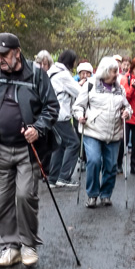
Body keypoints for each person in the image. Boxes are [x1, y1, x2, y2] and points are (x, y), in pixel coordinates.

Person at [0, 33, 60, 269]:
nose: (0, 59)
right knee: (4, 199)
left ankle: (28, 245)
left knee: (25, 195)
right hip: (0, 148)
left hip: (28, 150)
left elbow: (51, 107)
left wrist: (38, 128)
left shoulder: (37, 75)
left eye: (4, 54)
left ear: (17, 52)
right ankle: (11, 246)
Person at [72, 57, 131, 208]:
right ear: (105, 71)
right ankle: (92, 194)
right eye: (113, 71)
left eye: (116, 71)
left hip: (113, 132)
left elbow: (127, 107)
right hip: (92, 130)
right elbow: (78, 106)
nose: (116, 74)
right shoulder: (90, 85)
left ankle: (106, 194)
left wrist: (127, 113)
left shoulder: (120, 89)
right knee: (93, 161)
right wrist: (80, 115)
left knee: (111, 166)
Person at [46, 49, 81, 187]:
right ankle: (64, 177)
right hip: (60, 115)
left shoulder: (51, 71)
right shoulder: (63, 75)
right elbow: (78, 91)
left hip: (50, 114)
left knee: (59, 145)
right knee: (74, 143)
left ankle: (53, 178)